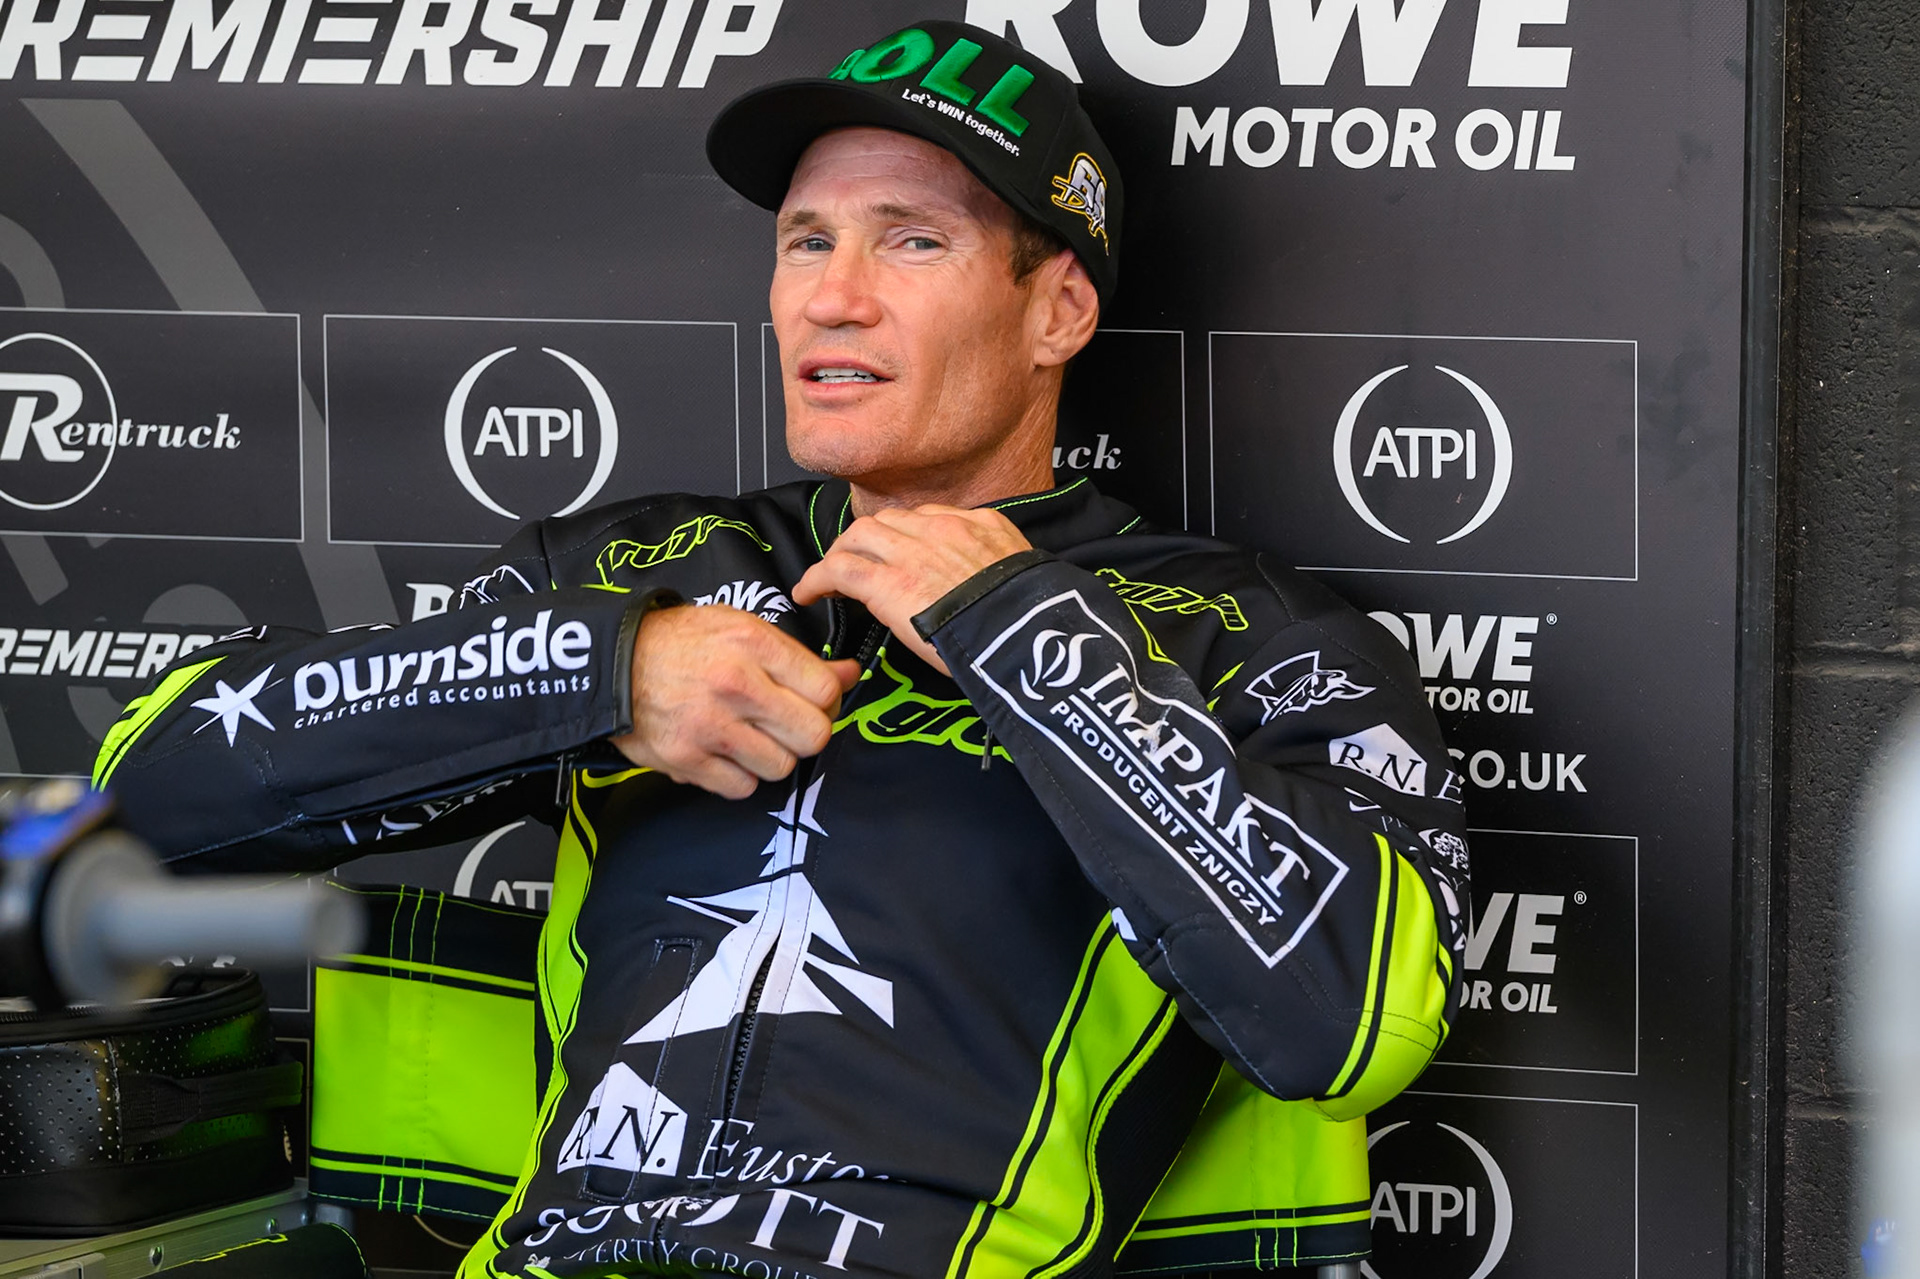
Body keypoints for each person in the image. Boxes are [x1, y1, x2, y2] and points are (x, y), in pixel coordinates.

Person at [95, 19, 1469, 1278]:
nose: (832, 298)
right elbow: (139, 802)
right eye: (807, 242)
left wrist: (1034, 645)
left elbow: (1359, 1022)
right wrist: (596, 674)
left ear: (1056, 310)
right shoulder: (640, 571)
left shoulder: (1234, 625)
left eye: (910, 243)